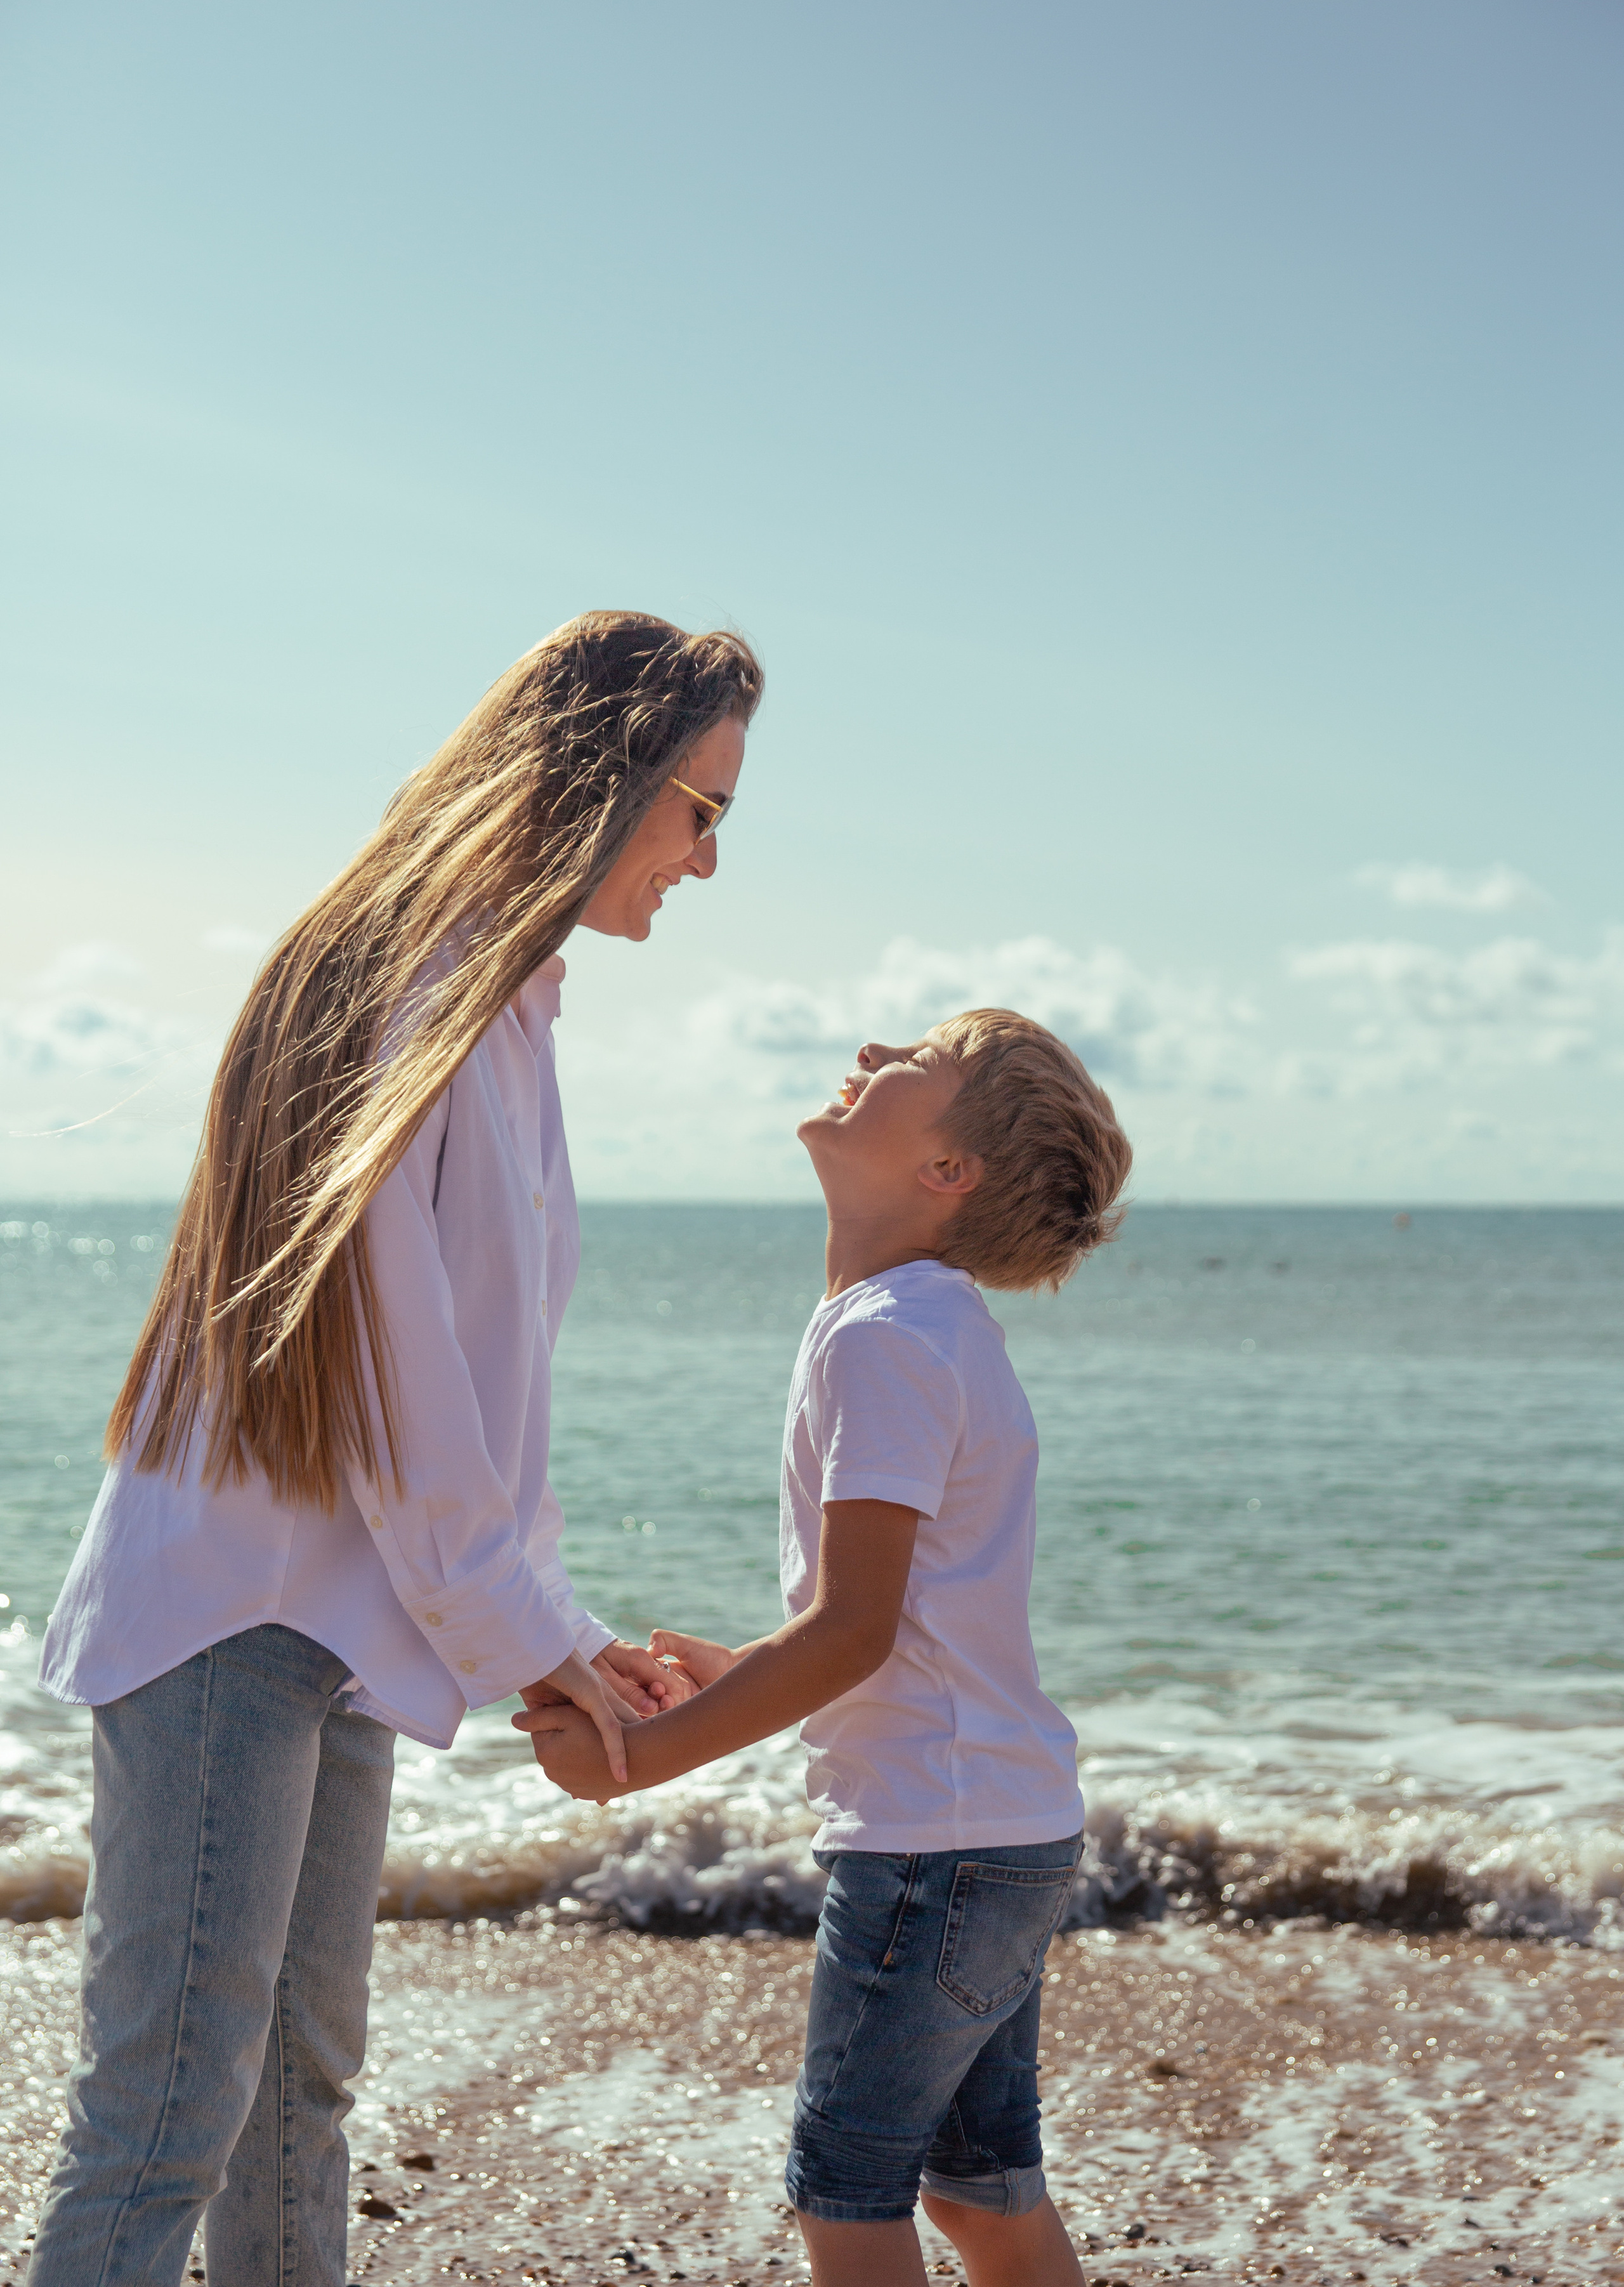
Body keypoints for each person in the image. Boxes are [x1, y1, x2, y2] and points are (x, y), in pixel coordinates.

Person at [26, 611, 763, 2287]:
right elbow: (394, 1387)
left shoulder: (512, 1012)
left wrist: (562, 1640)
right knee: (162, 2112)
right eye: (702, 811)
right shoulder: (395, 986)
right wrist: (532, 1660)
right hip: (234, 1615)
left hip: (346, 1632)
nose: (708, 863)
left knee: (295, 2093)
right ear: (609, 776)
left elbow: (482, 1414)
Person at [523, 1009, 1133, 2287]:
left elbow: (852, 1635)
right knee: (977, 2194)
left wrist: (637, 1758)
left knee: (845, 2198)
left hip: (934, 1842)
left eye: (918, 1060)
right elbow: (897, 1623)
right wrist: (745, 1669)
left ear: (946, 1170)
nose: (869, 1051)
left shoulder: (887, 1336)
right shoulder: (916, 1321)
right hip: (997, 1824)